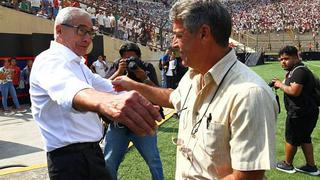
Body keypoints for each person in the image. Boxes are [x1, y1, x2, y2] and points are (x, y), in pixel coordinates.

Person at [111, 1, 278, 179]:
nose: (174, 44)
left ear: (204, 34)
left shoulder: (250, 94)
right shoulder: (194, 74)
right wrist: (133, 84)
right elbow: (172, 97)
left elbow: (247, 177)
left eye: (179, 35)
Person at [29, 7, 162, 180]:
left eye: (90, 33)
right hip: (70, 161)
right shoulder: (49, 60)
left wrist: (146, 90)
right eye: (81, 31)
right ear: (59, 30)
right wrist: (108, 103)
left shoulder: (79, 65)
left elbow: (109, 86)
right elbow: (73, 91)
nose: (87, 39)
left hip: (90, 154)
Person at [104, 42, 163, 180]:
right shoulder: (116, 66)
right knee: (109, 162)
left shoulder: (146, 67)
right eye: (126, 59)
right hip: (118, 125)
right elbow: (102, 87)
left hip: (143, 123)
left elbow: (157, 92)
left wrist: (143, 77)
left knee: (154, 161)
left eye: (133, 59)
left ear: (139, 58)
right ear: (120, 59)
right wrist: (118, 72)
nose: (130, 62)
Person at [272, 46, 320, 176]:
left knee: (291, 138)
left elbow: (294, 91)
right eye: (281, 59)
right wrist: (279, 82)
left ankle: (287, 164)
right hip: (308, 111)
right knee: (305, 138)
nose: (283, 61)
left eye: (286, 58)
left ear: (296, 57)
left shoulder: (299, 71)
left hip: (300, 113)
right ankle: (311, 167)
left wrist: (280, 85)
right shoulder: (296, 70)